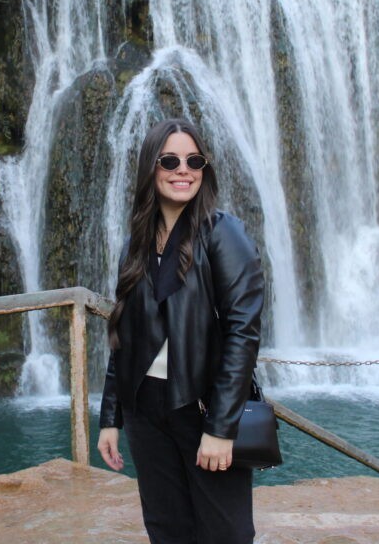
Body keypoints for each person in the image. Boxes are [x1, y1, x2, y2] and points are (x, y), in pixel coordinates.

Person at [97, 117, 265, 544]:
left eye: (194, 160)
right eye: (169, 160)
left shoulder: (223, 233)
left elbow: (242, 334)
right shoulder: (136, 243)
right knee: (167, 528)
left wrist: (222, 428)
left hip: (203, 406)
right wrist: (111, 418)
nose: (183, 170)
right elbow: (124, 336)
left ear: (205, 168)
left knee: (225, 532)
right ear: (150, 169)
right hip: (145, 410)